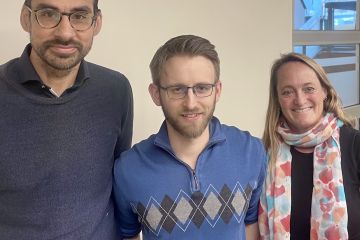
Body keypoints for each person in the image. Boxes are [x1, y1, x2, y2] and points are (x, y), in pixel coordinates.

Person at [0, 0, 133, 239]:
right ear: (25, 17)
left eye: (80, 16)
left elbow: (121, 181)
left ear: (97, 22)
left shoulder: (116, 90)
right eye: (48, 14)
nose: (65, 33)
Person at [113, 34, 266, 240]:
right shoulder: (128, 168)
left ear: (217, 91)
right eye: (177, 89)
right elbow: (128, 235)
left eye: (202, 88)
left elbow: (251, 224)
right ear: (156, 94)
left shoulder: (251, 152)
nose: (191, 103)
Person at [258, 52, 360, 239]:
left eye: (309, 88)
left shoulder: (353, 144)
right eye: (287, 92)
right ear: (278, 99)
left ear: (325, 92)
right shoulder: (263, 153)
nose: (300, 99)